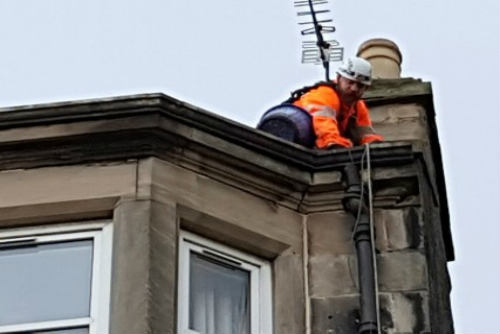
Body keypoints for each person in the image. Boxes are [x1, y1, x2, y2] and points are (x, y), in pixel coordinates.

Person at [291, 57, 384, 149]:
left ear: (366, 89)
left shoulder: (358, 107)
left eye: (360, 86)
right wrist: (335, 144)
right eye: (350, 82)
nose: (354, 89)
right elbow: (325, 127)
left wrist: (376, 147)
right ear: (339, 78)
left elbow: (365, 133)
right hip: (293, 136)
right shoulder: (325, 95)